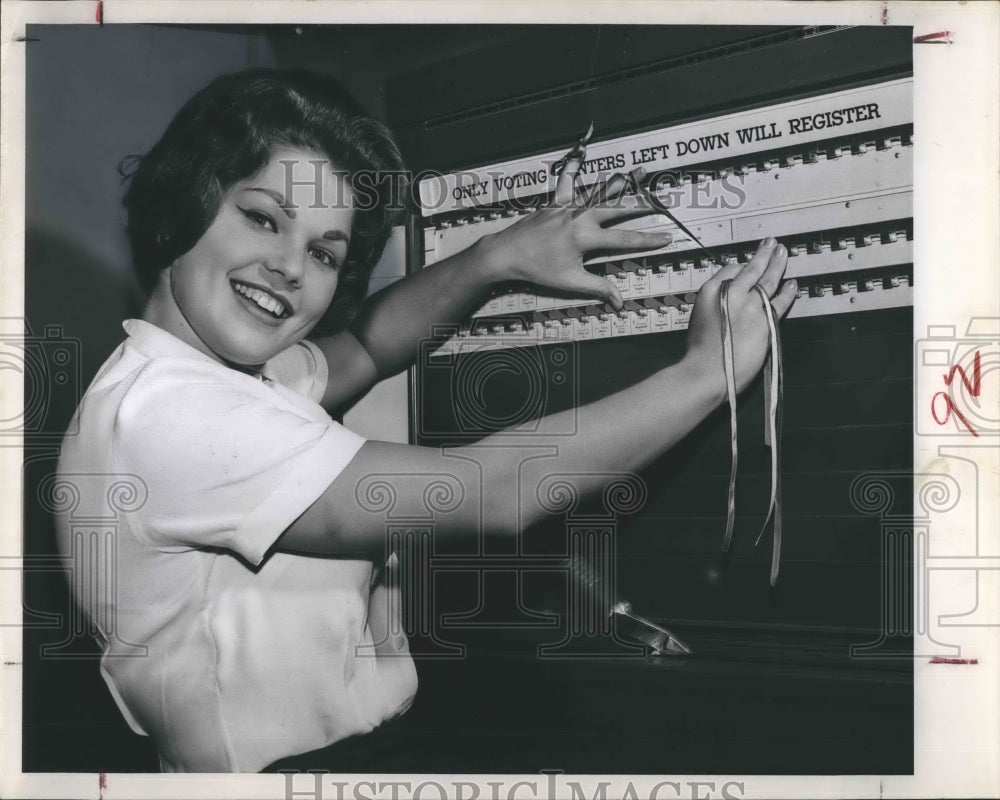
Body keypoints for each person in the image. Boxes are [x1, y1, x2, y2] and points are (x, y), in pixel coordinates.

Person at [54, 68, 797, 773]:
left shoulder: (205, 379)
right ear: (184, 199)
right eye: (261, 218)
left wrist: (496, 258)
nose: (289, 267)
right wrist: (706, 375)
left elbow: (369, 346)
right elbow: (491, 492)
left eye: (323, 251)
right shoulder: (173, 416)